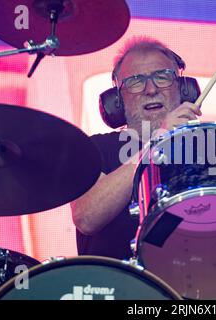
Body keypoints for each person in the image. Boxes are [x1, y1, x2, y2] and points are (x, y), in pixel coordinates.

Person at [70, 37, 202, 259]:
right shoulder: (96, 148)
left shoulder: (206, 149)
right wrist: (157, 142)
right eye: (135, 81)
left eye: (162, 76)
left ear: (183, 89)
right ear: (117, 99)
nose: (151, 90)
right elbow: (86, 218)